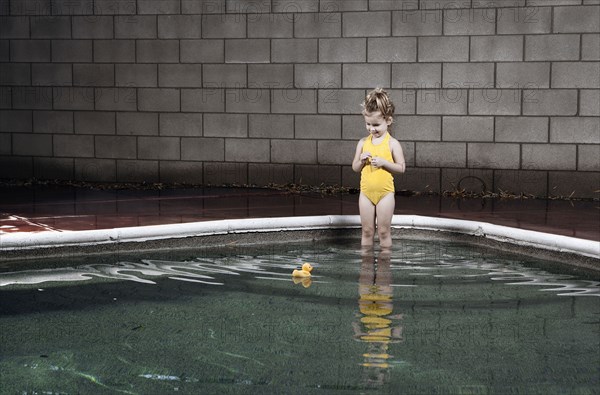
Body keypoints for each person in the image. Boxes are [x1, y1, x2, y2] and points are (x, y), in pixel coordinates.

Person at [352, 88, 406, 248]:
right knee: (367, 231)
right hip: (366, 194)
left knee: (383, 231)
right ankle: (366, 267)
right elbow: (355, 167)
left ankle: (384, 268)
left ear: (388, 121)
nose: (371, 129)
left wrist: (384, 163)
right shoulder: (362, 143)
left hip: (385, 194)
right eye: (368, 124)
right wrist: (361, 161)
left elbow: (401, 168)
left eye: (376, 125)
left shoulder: (392, 143)